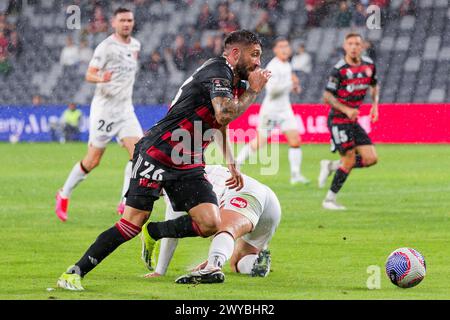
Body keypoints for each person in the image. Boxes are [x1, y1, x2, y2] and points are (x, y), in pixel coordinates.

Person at [56, 30, 271, 291]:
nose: (259, 62)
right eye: (255, 55)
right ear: (235, 53)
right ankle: (73, 273)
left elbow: (217, 123)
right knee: (131, 223)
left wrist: (231, 162)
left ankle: (155, 231)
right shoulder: (218, 70)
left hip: (188, 159)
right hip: (158, 152)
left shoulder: (235, 81)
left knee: (210, 222)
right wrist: (254, 92)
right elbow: (224, 113)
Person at [55, 8, 143, 222]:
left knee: (139, 154)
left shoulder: (135, 45)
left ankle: (125, 200)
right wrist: (102, 77)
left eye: (129, 20)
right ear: (113, 23)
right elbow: (89, 74)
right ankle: (64, 194)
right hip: (105, 110)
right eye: (122, 20)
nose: (126, 24)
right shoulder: (105, 47)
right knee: (92, 161)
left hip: (125, 110)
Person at [144, 165, 281, 284]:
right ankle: (256, 262)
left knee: (225, 228)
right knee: (237, 262)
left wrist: (160, 271)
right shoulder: (193, 169)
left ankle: (212, 267)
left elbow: (171, 233)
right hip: (266, 201)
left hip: (244, 192)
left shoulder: (175, 184)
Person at [318, 32, 380, 210]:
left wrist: (375, 106)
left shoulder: (369, 65)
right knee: (350, 159)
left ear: (362, 47)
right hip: (338, 120)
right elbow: (327, 97)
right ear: (345, 46)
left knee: (371, 158)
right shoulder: (339, 69)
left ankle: (331, 165)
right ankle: (329, 200)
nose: (353, 47)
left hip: (352, 121)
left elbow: (374, 85)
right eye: (350, 44)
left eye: (357, 44)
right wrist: (346, 109)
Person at [237, 38, 309, 185]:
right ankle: (236, 163)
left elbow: (286, 87)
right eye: (281, 47)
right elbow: (272, 90)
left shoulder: (287, 64)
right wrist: (291, 83)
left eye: (286, 46)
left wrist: (294, 87)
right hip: (271, 110)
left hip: (285, 109)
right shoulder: (273, 67)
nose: (284, 49)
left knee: (295, 141)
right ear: (275, 50)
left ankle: (295, 175)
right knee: (260, 142)